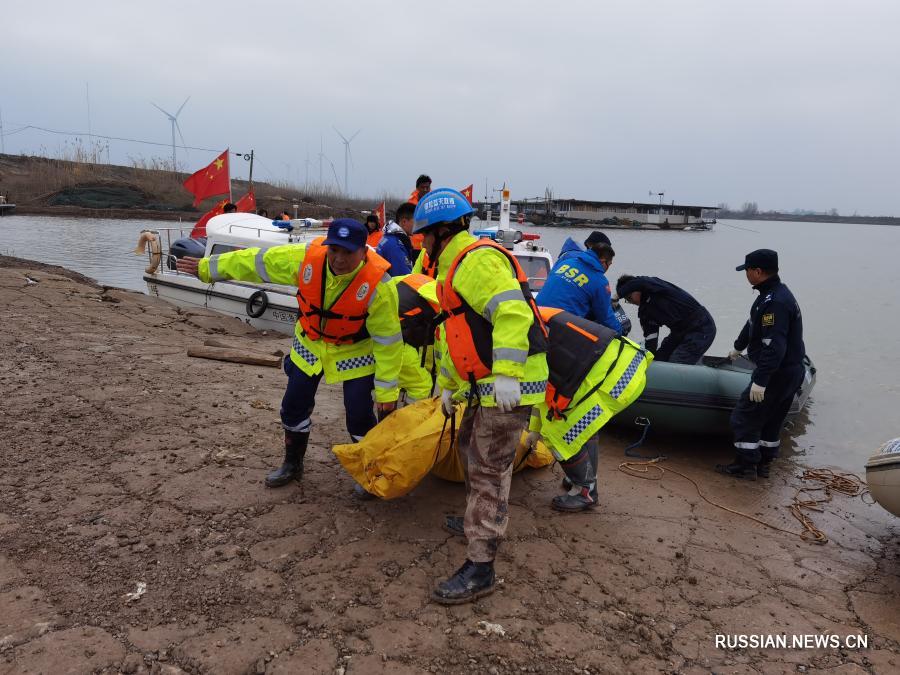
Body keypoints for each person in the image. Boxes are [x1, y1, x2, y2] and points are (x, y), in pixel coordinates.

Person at [175, 219, 403, 493]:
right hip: (310, 346)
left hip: (354, 353)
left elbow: (388, 343)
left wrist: (387, 394)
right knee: (293, 406)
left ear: (363, 252)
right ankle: (293, 464)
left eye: (348, 253)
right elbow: (257, 261)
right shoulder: (307, 259)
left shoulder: (380, 285)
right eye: (334, 251)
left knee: (359, 416)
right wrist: (206, 268)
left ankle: (370, 472)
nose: (339, 259)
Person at [411, 188, 549, 605]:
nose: (421, 247)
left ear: (438, 234)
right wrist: (451, 387)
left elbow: (512, 313)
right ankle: (476, 519)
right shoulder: (456, 269)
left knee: (489, 469)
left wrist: (508, 373)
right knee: (471, 451)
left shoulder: (476, 261)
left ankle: (481, 566)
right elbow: (458, 335)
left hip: (508, 386)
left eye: (422, 239)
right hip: (482, 386)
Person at [527, 307, 651, 511]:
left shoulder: (521, 332)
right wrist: (534, 428)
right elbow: (544, 392)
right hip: (621, 361)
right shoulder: (531, 310)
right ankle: (583, 477)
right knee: (582, 428)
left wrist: (537, 430)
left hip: (612, 378)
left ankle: (585, 490)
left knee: (558, 435)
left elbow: (538, 386)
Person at [717, 249, 806, 480]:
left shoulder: (775, 302)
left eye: (747, 270)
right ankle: (763, 465)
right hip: (791, 371)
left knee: (744, 416)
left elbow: (774, 346)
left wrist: (761, 380)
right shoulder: (772, 294)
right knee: (771, 421)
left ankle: (746, 466)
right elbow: (752, 324)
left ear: (758, 271)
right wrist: (738, 347)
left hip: (777, 372)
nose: (745, 274)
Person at [615, 275, 716, 364]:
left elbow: (640, 282)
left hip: (701, 327)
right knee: (660, 358)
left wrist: (617, 295)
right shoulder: (645, 313)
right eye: (627, 300)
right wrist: (649, 359)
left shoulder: (655, 286)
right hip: (678, 332)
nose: (631, 302)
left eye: (629, 297)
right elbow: (651, 339)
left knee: (677, 361)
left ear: (637, 288)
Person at [537, 233, 622, 333]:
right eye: (609, 264)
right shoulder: (600, 281)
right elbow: (605, 316)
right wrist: (620, 332)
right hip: (559, 325)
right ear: (603, 262)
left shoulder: (566, 262)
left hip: (536, 315)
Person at [376, 202, 417, 276]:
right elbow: (403, 279)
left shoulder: (390, 237)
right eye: (415, 221)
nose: (417, 225)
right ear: (404, 222)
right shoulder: (395, 245)